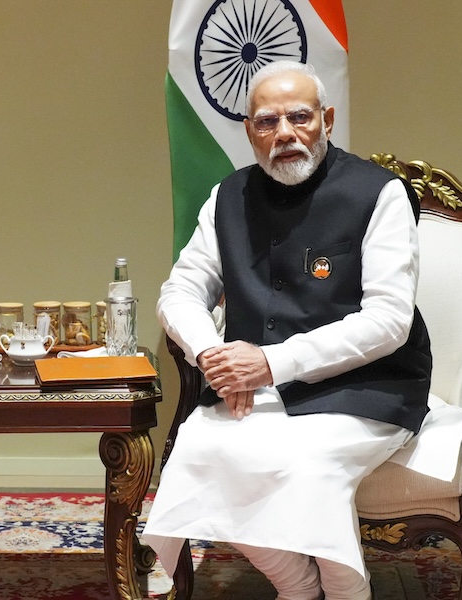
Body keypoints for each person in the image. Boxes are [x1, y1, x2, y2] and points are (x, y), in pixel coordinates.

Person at [144, 61, 442, 600]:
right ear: (249, 131)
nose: (284, 134)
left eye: (299, 117)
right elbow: (180, 291)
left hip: (369, 386)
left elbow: (388, 322)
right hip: (250, 386)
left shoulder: (379, 194)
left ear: (326, 119)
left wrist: (269, 364)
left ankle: (349, 591)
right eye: (267, 122)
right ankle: (296, 584)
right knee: (199, 450)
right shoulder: (227, 197)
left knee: (306, 466)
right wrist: (214, 355)